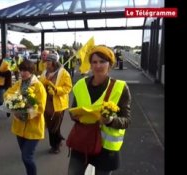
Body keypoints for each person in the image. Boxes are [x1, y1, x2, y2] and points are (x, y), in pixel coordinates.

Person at [67, 45, 132, 175]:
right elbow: (73, 111)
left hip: (106, 148)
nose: (98, 66)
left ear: (110, 64)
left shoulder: (120, 88)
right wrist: (75, 116)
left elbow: (127, 120)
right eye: (94, 62)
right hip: (82, 142)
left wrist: (110, 120)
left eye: (102, 62)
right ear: (90, 64)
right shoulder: (80, 85)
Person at [4, 60, 47, 175]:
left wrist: (26, 113)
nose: (22, 73)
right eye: (21, 70)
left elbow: (40, 107)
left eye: (25, 70)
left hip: (33, 128)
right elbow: (7, 94)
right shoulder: (18, 83)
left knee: (27, 157)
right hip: (19, 127)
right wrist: (15, 103)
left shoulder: (38, 86)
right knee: (24, 155)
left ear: (31, 71)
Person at [39, 54, 72, 154]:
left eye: (49, 61)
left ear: (54, 62)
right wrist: (46, 80)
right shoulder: (45, 72)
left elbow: (68, 87)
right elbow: (40, 84)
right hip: (46, 103)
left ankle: (55, 146)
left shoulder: (63, 73)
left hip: (58, 104)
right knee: (50, 125)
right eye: (46, 61)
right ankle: (58, 139)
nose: (46, 63)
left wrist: (56, 90)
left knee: (55, 126)